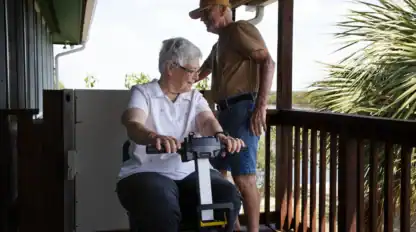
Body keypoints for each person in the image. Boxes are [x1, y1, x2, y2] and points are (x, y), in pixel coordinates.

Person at [116, 37, 244, 232]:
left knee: (227, 194)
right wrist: (153, 137)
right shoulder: (144, 92)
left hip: (193, 172)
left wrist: (220, 136)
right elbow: (133, 122)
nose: (196, 77)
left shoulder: (194, 96)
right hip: (148, 171)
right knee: (161, 203)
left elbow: (207, 121)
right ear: (170, 68)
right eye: (192, 71)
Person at [189, 1, 276, 231]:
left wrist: (261, 107)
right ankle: (234, 228)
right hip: (223, 113)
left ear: (222, 9)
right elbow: (198, 73)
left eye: (206, 13)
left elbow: (267, 61)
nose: (203, 19)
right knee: (218, 174)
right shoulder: (219, 44)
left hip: (242, 110)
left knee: (244, 177)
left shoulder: (239, 30)